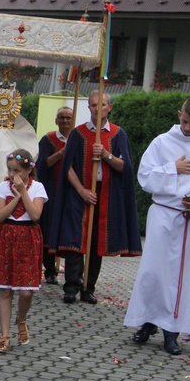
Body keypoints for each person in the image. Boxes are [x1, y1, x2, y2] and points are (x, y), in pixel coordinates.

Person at [124, 98, 190, 355]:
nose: (188, 128)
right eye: (184, 121)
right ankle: (147, 323)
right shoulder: (161, 142)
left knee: (180, 277)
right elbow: (144, 175)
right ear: (179, 114)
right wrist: (174, 168)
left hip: (187, 218)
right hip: (162, 213)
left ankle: (172, 330)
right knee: (153, 271)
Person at [48, 91, 142, 304]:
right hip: (78, 192)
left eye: (101, 105)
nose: (97, 109)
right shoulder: (78, 133)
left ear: (109, 108)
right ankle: (71, 286)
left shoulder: (118, 135)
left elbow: (125, 167)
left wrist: (106, 155)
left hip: (106, 194)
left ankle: (88, 287)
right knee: (75, 239)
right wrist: (81, 190)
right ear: (88, 108)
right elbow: (67, 167)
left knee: (96, 241)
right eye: (92, 105)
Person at [0, 149, 47, 353]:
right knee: (5, 289)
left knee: (26, 291)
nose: (13, 175)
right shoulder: (4, 187)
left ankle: (21, 318)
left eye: (18, 171)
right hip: (7, 236)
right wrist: (15, 196)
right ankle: (4, 336)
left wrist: (24, 193)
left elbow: (36, 214)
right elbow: (0, 215)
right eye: (10, 170)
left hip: (28, 238)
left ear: (29, 170)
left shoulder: (38, 188)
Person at [36, 106, 73, 285]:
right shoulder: (48, 139)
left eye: (68, 117)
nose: (65, 121)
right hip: (51, 190)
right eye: (61, 117)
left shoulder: (78, 139)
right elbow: (41, 165)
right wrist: (60, 154)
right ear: (56, 120)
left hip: (72, 192)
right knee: (48, 230)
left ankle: (73, 275)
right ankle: (50, 270)